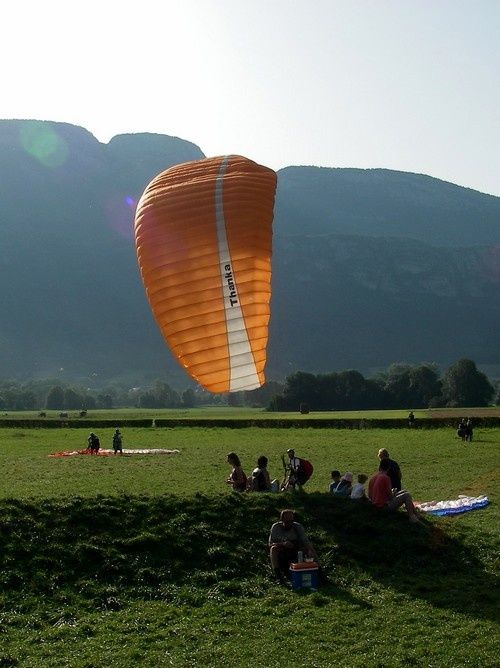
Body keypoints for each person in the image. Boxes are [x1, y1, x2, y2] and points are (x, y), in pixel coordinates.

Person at [268, 509, 318, 584]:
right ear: (282, 520)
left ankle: (318, 572)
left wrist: (310, 551)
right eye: (287, 521)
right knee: (273, 549)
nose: (290, 524)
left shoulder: (297, 527)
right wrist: (283, 544)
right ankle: (278, 576)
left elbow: (305, 541)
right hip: (282, 551)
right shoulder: (276, 527)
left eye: (291, 521)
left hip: (295, 551)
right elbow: (270, 544)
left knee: (308, 550)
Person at [368, 458, 420, 523]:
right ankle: (412, 516)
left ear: (380, 466)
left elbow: (369, 495)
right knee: (407, 495)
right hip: (383, 507)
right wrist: (393, 492)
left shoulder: (373, 477)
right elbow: (390, 497)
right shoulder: (385, 478)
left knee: (404, 492)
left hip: (374, 505)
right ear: (388, 468)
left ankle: (416, 514)